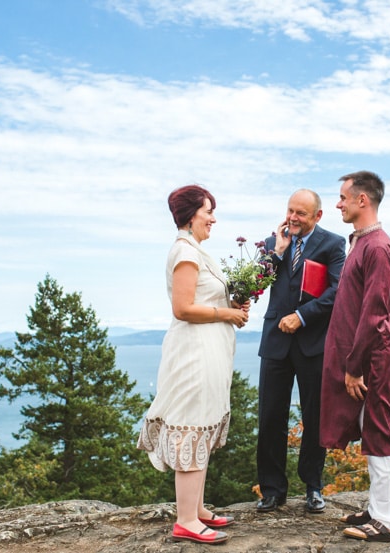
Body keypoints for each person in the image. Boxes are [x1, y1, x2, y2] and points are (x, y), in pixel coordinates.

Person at [137, 184, 250, 545]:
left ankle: (197, 508)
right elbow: (183, 308)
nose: (213, 218)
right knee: (192, 426)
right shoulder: (186, 252)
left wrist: (233, 306)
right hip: (194, 354)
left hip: (208, 351)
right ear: (191, 215)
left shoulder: (196, 251)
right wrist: (226, 312)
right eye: (208, 211)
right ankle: (186, 519)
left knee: (202, 422)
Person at [320, 171, 390, 542]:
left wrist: (354, 367)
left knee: (379, 429)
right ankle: (376, 508)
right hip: (368, 353)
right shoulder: (363, 243)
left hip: (374, 356)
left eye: (342, 197)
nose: (338, 203)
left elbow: (374, 312)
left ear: (362, 200)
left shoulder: (378, 248)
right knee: (372, 428)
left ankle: (386, 521)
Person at [256, 189, 346, 514]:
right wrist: (277, 252)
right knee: (269, 417)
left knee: (315, 419)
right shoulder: (271, 243)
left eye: (301, 214)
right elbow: (254, 283)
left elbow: (339, 290)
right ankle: (272, 490)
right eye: (290, 211)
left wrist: (303, 316)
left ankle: (313, 487)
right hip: (275, 343)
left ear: (317, 216)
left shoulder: (334, 244)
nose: (293, 218)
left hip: (314, 344)